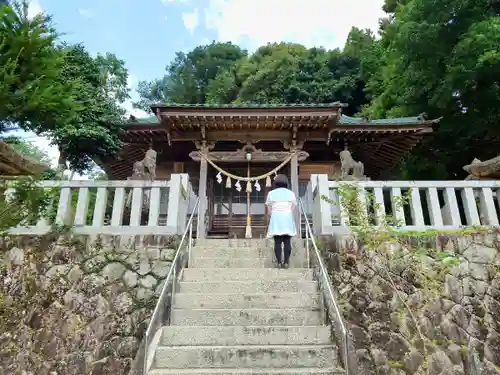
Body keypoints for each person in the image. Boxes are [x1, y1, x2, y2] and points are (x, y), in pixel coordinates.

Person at [265, 174, 297, 269]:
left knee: (277, 242)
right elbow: (293, 206)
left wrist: (273, 214)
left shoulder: (271, 193)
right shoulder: (291, 193)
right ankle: (286, 262)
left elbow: (269, 207)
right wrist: (287, 212)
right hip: (287, 217)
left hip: (276, 217)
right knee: (287, 241)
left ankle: (279, 262)